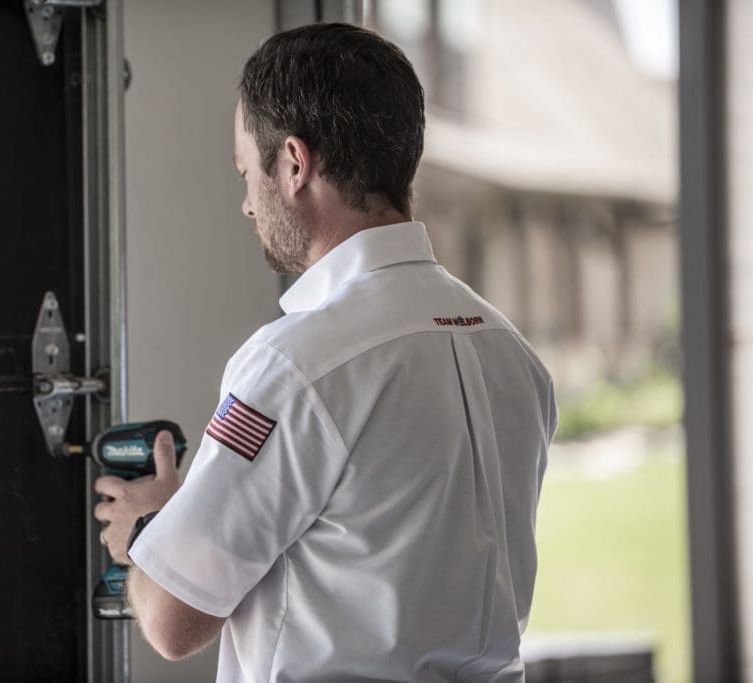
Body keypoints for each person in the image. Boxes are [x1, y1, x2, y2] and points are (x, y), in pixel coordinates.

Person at [93, 22, 557, 682]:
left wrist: (145, 530)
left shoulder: (297, 365)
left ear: (293, 162)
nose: (248, 204)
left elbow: (173, 618)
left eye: (246, 172)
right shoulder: (510, 352)